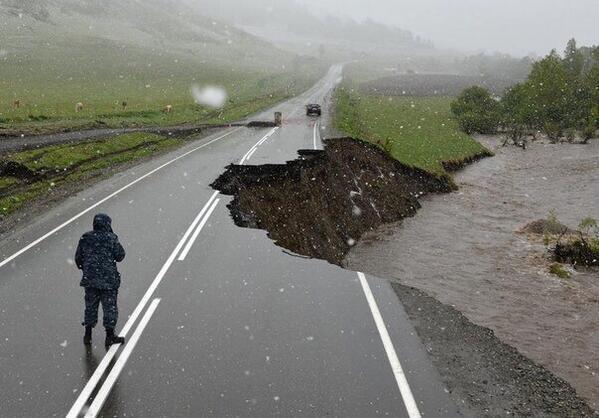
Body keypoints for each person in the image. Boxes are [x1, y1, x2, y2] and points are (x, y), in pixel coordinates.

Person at [75, 213, 126, 347]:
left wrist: (86, 269)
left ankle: (87, 335)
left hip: (90, 280)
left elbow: (78, 259)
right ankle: (110, 336)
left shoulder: (85, 237)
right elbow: (120, 255)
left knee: (90, 307)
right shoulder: (111, 238)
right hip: (109, 281)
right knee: (110, 307)